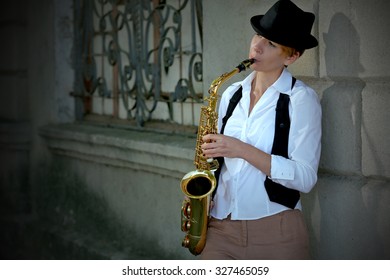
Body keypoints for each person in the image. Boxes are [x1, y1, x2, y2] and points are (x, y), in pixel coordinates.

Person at [200, 0, 321, 259]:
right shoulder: (231, 93)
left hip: (275, 230)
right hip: (220, 226)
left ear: (292, 56)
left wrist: (241, 149)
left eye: (272, 43)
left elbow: (306, 177)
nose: (257, 45)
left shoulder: (301, 99)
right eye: (259, 35)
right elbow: (217, 161)